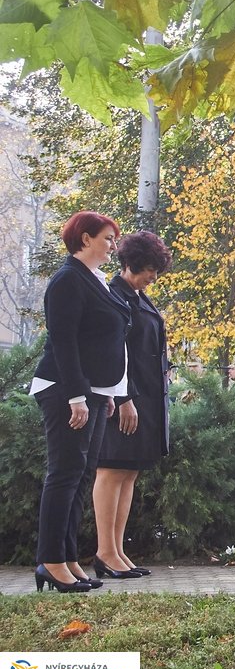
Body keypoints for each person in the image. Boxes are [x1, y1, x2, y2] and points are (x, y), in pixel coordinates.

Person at [30, 211, 131, 593]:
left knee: (80, 474)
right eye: (107, 238)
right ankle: (50, 560)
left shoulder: (95, 280)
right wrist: (76, 396)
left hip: (91, 391)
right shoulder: (67, 280)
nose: (113, 245)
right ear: (84, 239)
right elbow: (65, 341)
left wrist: (104, 393)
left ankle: (68, 557)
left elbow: (105, 341)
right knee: (64, 473)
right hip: (63, 388)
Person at [93, 230, 173, 582]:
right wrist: (123, 397)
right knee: (111, 471)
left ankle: (117, 550)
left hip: (146, 399)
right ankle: (104, 552)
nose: (153, 276)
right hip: (123, 399)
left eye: (157, 270)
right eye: (149, 269)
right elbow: (113, 352)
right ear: (130, 263)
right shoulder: (114, 295)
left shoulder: (139, 296)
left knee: (129, 473)